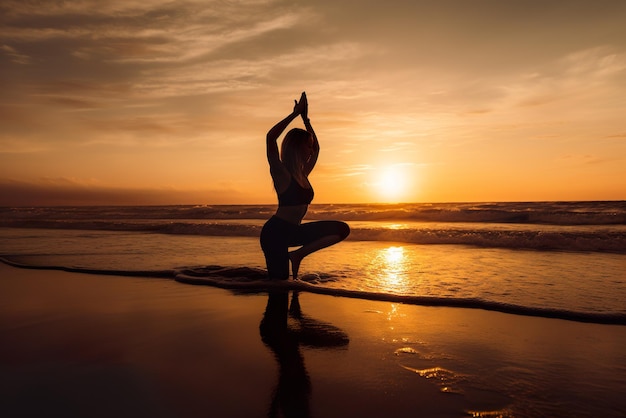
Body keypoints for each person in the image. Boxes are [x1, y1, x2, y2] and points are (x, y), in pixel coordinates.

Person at [260, 92, 350, 280]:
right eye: (307, 146)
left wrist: (305, 119)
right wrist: (294, 114)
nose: (311, 150)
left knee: (342, 229)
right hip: (275, 234)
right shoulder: (282, 173)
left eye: (310, 146)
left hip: (294, 231)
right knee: (279, 288)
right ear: (297, 147)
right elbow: (270, 138)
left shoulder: (303, 173)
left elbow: (318, 148)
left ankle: (298, 254)